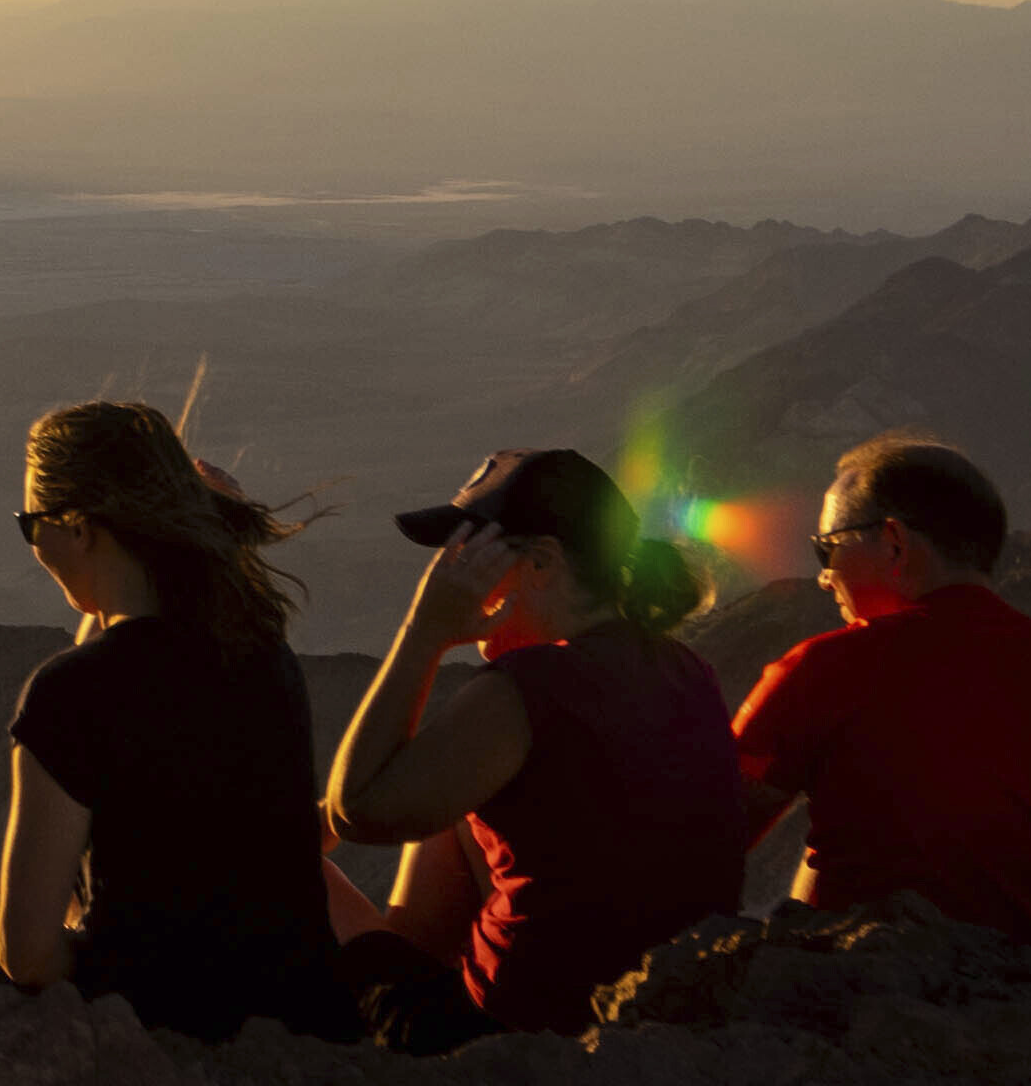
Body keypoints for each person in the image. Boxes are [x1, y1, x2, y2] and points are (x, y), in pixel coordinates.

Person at [0, 401, 356, 1042]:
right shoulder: (265, 652)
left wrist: (103, 962)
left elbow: (28, 956)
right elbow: (125, 660)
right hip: (294, 1016)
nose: (33, 542)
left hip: (142, 1032)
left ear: (78, 528)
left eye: (31, 524)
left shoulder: (69, 697)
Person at [322, 448, 757, 1047]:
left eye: (469, 554)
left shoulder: (527, 690)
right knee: (457, 800)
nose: (450, 573)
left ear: (543, 562)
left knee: (268, 847)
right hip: (653, 1009)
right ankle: (400, 963)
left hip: (507, 1034)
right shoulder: (680, 667)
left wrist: (424, 632)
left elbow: (359, 809)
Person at [723, 434, 1031, 938]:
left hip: (876, 999)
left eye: (828, 549)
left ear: (895, 542)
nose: (824, 578)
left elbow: (694, 841)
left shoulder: (824, 671)